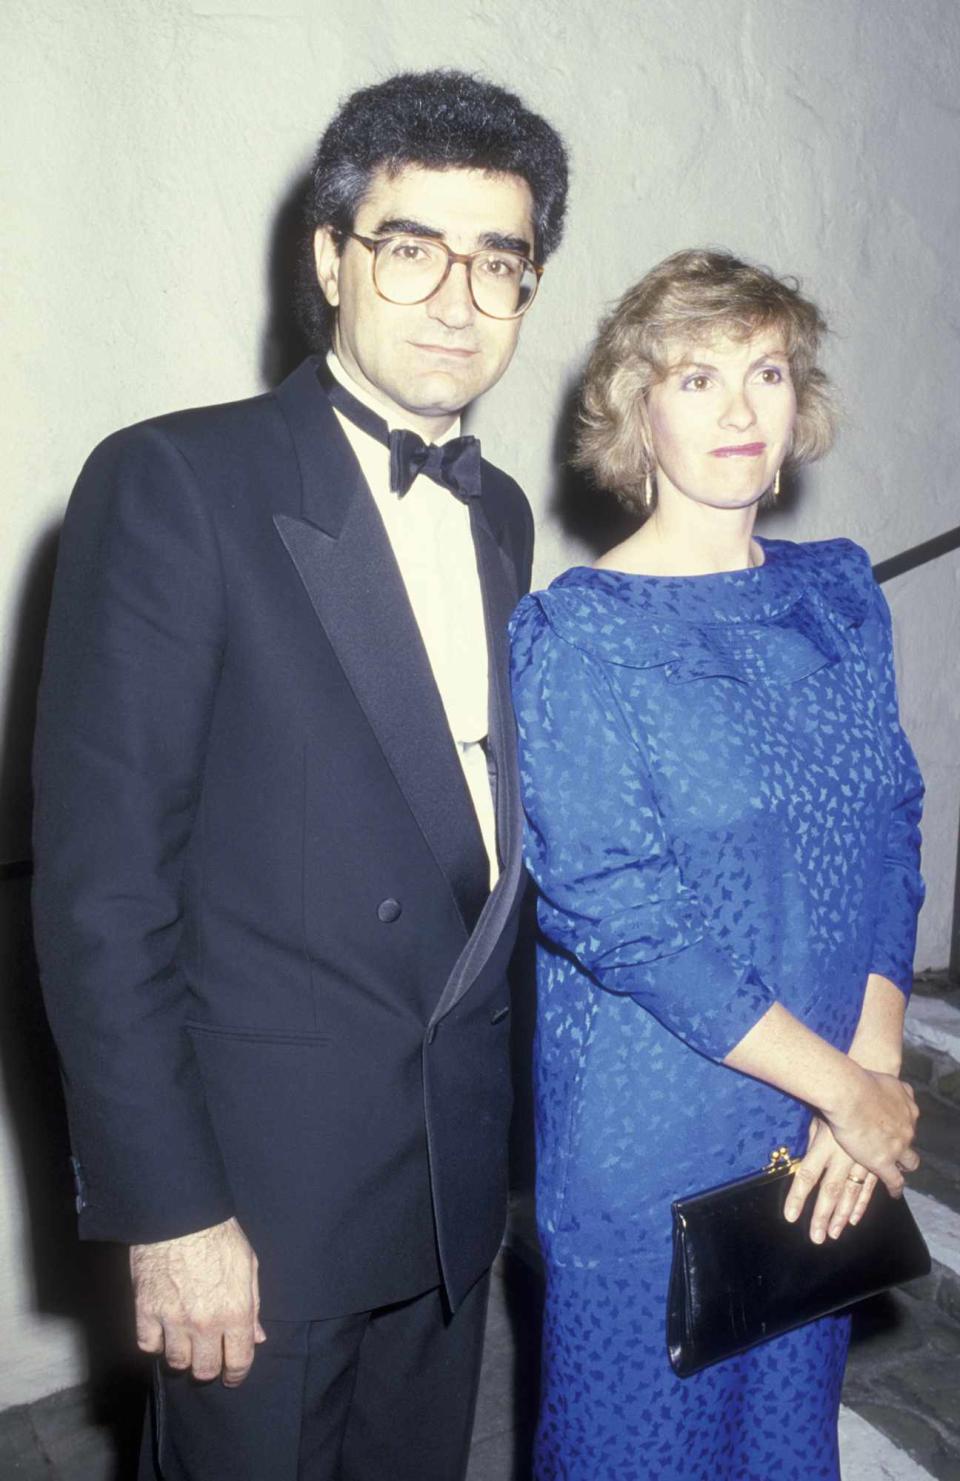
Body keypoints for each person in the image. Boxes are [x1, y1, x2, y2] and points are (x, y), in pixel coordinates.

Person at [32, 70, 567, 1481]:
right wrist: (172, 1211)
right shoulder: (172, 485)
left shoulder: (502, 513)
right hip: (259, 1203)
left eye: (499, 260)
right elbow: (104, 899)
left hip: (444, 1183)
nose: (458, 297)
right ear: (330, 257)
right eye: (412, 247)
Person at [508, 249, 924, 1480]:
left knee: (786, 1448)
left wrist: (875, 1062)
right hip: (657, 1138)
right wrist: (844, 1087)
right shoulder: (578, 634)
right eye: (698, 377)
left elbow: (892, 824)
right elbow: (620, 913)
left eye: (768, 370)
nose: (742, 408)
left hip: (821, 1134)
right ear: (639, 411)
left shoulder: (840, 593)